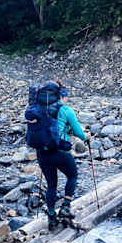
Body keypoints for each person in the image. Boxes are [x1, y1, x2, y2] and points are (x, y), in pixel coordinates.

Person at [34, 80, 90, 230]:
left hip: (42, 153)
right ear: (62, 96)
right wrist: (87, 137)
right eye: (66, 97)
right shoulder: (66, 110)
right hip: (60, 151)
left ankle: (51, 217)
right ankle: (65, 207)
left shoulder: (39, 109)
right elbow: (79, 132)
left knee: (51, 185)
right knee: (72, 175)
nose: (67, 100)